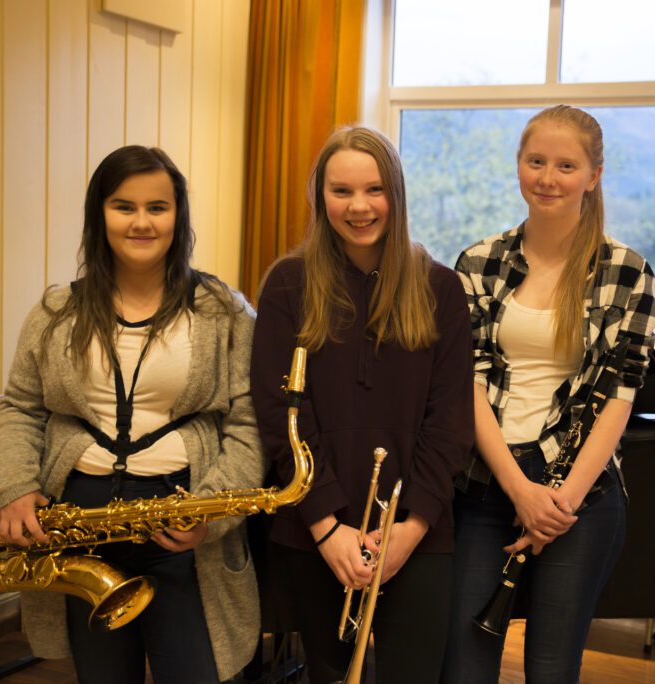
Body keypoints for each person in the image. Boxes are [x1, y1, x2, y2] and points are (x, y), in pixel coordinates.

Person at [0, 145, 263, 684]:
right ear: (99, 214)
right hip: (79, 527)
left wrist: (211, 513)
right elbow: (20, 407)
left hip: (184, 524)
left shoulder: (224, 311)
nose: (141, 222)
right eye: (123, 206)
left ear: (178, 216)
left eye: (157, 207)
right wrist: (14, 486)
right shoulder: (55, 311)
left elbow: (248, 424)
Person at [441, 105, 655, 683]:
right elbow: (468, 384)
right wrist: (521, 492)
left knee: (550, 668)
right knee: (462, 665)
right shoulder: (478, 262)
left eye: (566, 165)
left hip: (579, 497)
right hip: (487, 482)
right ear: (519, 165)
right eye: (536, 161)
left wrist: (556, 505)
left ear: (593, 175)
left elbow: (620, 396)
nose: (547, 177)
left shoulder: (628, 271)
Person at [250, 126, 474, 684]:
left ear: (395, 195)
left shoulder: (441, 289)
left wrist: (409, 528)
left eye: (374, 190)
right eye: (340, 191)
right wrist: (328, 529)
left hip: (418, 535)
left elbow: (449, 422)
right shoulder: (287, 285)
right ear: (318, 196)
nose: (358, 207)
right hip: (314, 530)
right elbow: (280, 416)